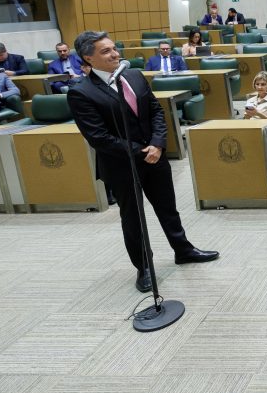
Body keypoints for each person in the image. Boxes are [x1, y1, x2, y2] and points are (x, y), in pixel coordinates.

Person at [66, 31, 218, 292]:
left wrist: (158, 143)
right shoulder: (81, 92)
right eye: (105, 51)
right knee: (133, 218)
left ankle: (183, 250)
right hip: (121, 164)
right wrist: (141, 151)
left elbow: (156, 110)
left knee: (168, 208)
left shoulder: (134, 75)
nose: (114, 54)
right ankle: (144, 267)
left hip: (154, 156)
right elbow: (99, 137)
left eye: (114, 48)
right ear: (87, 58)